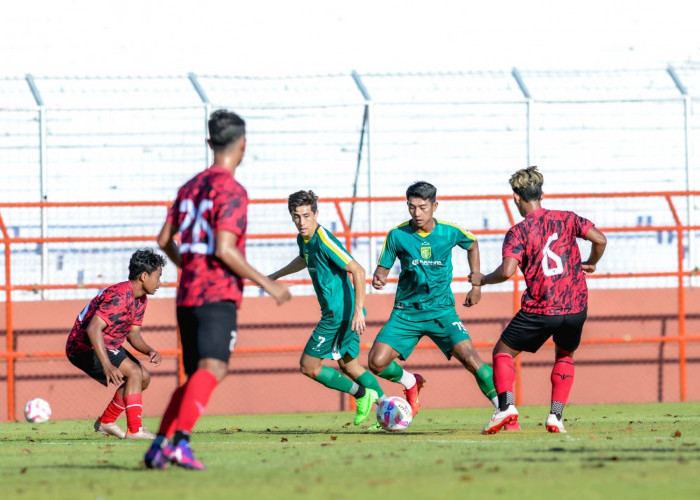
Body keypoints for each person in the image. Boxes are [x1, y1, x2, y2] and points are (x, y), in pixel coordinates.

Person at [145, 109, 291, 470]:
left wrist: (187, 266)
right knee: (214, 369)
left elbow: (164, 239)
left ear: (210, 143)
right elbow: (225, 249)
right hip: (216, 294)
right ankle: (180, 443)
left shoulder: (189, 186)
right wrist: (268, 284)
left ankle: (159, 446)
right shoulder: (233, 190)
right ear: (243, 145)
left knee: (198, 374)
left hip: (187, 294)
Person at [472, 166, 607, 434]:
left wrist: (483, 279)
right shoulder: (567, 219)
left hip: (542, 307)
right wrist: (590, 262)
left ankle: (507, 407)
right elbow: (600, 239)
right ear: (541, 194)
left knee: (503, 352)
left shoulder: (518, 232)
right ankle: (555, 416)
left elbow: (507, 271)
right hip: (576, 306)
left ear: (516, 196)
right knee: (565, 354)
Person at [368, 181, 498, 418]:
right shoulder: (397, 235)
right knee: (376, 362)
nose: (416, 213)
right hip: (406, 313)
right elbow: (382, 270)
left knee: (470, 358)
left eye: (422, 207)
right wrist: (379, 278)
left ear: (434, 206)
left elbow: (472, 244)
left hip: (441, 311)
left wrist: (476, 284)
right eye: (411, 207)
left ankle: (504, 408)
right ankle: (410, 382)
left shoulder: (449, 232)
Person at [268, 190, 386, 426]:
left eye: (306, 215)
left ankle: (362, 395)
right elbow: (303, 259)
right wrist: (275, 275)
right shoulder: (304, 240)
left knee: (309, 366)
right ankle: (389, 409)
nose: (301, 222)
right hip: (341, 313)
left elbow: (358, 271)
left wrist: (357, 311)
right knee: (349, 364)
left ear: (315, 214)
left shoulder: (324, 239)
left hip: (339, 315)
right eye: (296, 216)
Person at [66, 248, 166, 440]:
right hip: (82, 347)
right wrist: (107, 365)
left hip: (107, 343)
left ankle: (106, 421)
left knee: (143, 377)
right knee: (135, 373)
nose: (160, 283)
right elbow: (93, 329)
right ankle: (135, 430)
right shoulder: (119, 295)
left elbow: (133, 334)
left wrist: (150, 350)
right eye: (158, 277)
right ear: (144, 276)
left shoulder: (140, 299)